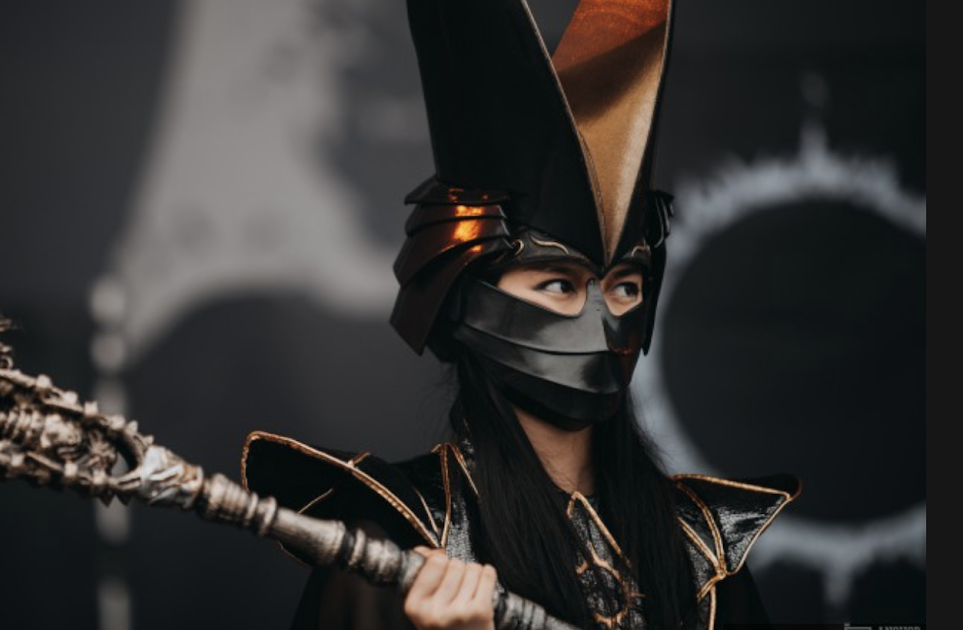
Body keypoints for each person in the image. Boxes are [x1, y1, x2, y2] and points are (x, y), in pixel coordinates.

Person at [240, 0, 800, 627]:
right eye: (558, 284)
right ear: (468, 294)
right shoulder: (400, 546)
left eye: (625, 286)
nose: (601, 319)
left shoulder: (701, 552)